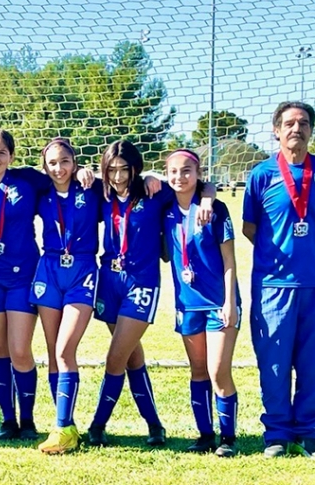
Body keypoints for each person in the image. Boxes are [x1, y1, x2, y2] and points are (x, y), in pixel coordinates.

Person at [0, 129, 92, 441]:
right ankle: (7, 419)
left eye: (2, 153)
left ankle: (28, 419)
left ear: (11, 157)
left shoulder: (29, 180)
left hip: (22, 276)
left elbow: (64, 177)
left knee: (20, 349)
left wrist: (87, 171)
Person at [87, 140, 213, 448]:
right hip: (109, 281)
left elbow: (202, 184)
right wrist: (82, 171)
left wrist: (207, 199)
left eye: (124, 170)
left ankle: (97, 425)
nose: (118, 177)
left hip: (141, 283)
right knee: (131, 356)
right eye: (111, 170)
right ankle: (155, 425)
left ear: (135, 168)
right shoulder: (102, 194)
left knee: (116, 356)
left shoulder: (154, 192)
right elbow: (73, 175)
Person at [242, 101, 315, 458]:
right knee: (275, 361)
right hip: (273, 285)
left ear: (311, 130)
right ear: (276, 130)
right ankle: (278, 433)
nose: (295, 128)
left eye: (303, 123)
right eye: (288, 123)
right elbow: (251, 229)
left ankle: (310, 431)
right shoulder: (261, 174)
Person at [163, 148, 240, 457]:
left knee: (219, 369)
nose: (180, 177)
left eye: (187, 171)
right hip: (187, 303)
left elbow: (230, 260)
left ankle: (228, 438)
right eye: (174, 172)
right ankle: (206, 434)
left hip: (218, 303)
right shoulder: (163, 209)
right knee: (198, 370)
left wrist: (230, 302)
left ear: (197, 174)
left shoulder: (216, 209)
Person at [32, 139, 99, 454]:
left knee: (64, 349)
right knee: (52, 351)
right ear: (44, 166)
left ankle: (62, 429)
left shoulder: (91, 188)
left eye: (65, 162)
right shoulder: (40, 192)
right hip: (49, 269)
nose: (59, 169)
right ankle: (65, 425)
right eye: (52, 163)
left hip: (82, 269)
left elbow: (134, 182)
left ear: (75, 162)